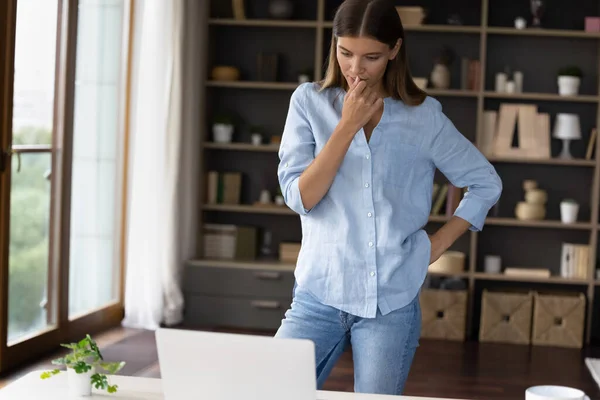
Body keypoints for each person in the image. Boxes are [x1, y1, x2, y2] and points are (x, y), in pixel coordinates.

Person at [275, 0, 502, 395]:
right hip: (318, 292)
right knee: (267, 390)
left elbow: (485, 181)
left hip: (391, 302)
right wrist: (346, 127)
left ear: (395, 50)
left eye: (371, 57)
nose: (355, 69)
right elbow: (300, 198)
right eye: (345, 53)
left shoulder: (424, 117)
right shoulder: (308, 102)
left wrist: (436, 245)